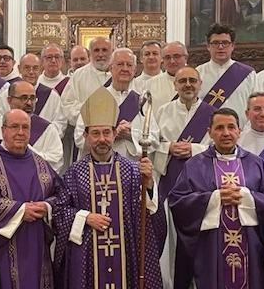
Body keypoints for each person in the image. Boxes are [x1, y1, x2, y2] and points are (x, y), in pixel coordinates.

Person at [53, 87, 162, 288]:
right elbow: (59, 212)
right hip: (87, 256)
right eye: (95, 133)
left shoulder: (132, 170)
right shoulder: (74, 173)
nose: (101, 139)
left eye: (106, 133)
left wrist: (148, 185)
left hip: (125, 254)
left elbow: (147, 212)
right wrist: (85, 217)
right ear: (85, 136)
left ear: (114, 134)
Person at [169, 108, 264, 289]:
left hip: (251, 250)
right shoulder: (194, 165)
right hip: (210, 249)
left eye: (231, 127)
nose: (226, 133)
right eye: (219, 128)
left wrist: (247, 197)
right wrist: (214, 198)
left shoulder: (256, 163)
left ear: (239, 131)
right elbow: (178, 202)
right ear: (210, 133)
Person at [0, 109, 61, 288]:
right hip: (1, 249)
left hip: (36, 247)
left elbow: (61, 196)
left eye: (25, 127)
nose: (20, 132)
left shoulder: (40, 163)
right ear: (3, 130)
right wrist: (20, 211)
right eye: (14, 127)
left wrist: (46, 207)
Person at [153, 66, 214, 289]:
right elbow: (150, 144)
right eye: (182, 81)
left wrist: (194, 149)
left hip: (202, 186)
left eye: (192, 80)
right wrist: (168, 147)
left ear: (200, 84)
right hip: (171, 184)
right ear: (175, 85)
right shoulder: (162, 111)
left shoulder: (212, 113)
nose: (187, 85)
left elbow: (221, 146)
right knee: (172, 238)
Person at [74, 48, 156, 160]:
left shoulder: (141, 101)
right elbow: (79, 137)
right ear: (111, 68)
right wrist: (111, 135)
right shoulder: (96, 99)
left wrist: (131, 134)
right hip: (100, 166)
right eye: (120, 64)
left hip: (132, 167)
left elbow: (154, 138)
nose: (125, 69)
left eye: (129, 65)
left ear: (135, 70)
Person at [0, 81, 63, 172]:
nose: (29, 103)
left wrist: (27, 154)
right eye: (23, 98)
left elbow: (55, 161)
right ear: (9, 100)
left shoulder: (47, 129)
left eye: (32, 98)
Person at [0, 53, 67, 137]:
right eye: (27, 68)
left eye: (35, 68)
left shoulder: (52, 96)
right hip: (12, 145)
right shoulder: (7, 94)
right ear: (19, 69)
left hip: (42, 146)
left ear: (40, 69)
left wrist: (41, 137)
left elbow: (60, 124)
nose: (31, 72)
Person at [197, 24, 256, 119]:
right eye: (215, 43)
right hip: (206, 131)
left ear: (232, 46)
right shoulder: (197, 73)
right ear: (208, 46)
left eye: (225, 42)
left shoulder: (248, 74)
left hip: (239, 130)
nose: (220, 47)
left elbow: (254, 106)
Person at [61, 37, 113, 126]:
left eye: (104, 50)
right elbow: (67, 104)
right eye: (96, 50)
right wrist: (89, 114)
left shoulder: (119, 74)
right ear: (90, 54)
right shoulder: (78, 75)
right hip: (86, 131)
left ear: (111, 52)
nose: (100, 54)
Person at [148, 41, 189, 111]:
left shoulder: (195, 81)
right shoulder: (150, 85)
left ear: (186, 58)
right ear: (162, 60)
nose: (172, 61)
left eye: (176, 56)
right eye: (167, 57)